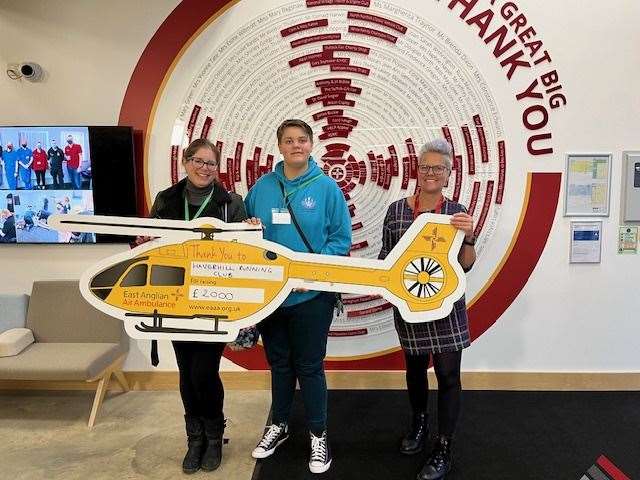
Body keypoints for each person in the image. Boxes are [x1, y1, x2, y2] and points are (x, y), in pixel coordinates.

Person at [245, 119, 351, 474]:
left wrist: (313, 274)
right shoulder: (262, 188)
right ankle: (279, 425)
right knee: (279, 365)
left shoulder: (327, 188)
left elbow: (340, 240)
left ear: (311, 144)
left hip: (312, 296)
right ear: (280, 145)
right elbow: (247, 239)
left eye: (302, 140)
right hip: (272, 295)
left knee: (309, 367)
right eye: (289, 141)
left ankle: (319, 435)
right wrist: (246, 233)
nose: (296, 146)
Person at [135, 138, 247, 474]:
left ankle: (214, 436)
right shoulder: (166, 200)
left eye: (210, 163)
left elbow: (243, 253)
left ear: (217, 168)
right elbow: (149, 246)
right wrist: (141, 243)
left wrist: (252, 233)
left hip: (213, 299)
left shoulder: (230, 203)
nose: (203, 168)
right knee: (187, 372)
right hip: (174, 298)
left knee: (204, 371)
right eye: (197, 161)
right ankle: (194, 439)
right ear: (185, 162)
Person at [378, 139, 476, 480]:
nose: (431, 173)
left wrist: (471, 237)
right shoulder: (396, 211)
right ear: (417, 171)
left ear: (448, 174)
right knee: (415, 369)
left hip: (446, 305)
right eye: (426, 167)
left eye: (438, 168)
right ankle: (419, 424)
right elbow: (386, 259)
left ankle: (444, 446)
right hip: (410, 305)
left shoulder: (456, 214)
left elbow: (465, 266)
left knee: (449, 376)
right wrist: (390, 290)